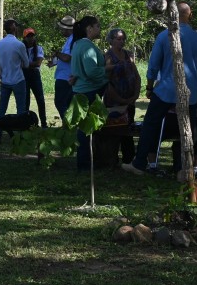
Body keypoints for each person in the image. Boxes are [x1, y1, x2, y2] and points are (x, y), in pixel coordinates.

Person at [124, 2, 197, 178]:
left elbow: (153, 65)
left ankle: (139, 162)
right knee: (189, 128)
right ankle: (187, 167)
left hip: (166, 89)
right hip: (190, 91)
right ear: (190, 15)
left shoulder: (165, 36)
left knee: (150, 124)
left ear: (173, 15)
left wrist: (149, 86)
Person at [70, 17, 107, 171]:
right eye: (97, 26)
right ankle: (85, 163)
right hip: (89, 91)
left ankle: (86, 161)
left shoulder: (78, 44)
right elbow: (91, 71)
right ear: (89, 28)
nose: (99, 29)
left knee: (84, 128)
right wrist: (108, 71)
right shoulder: (87, 46)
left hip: (80, 89)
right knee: (87, 129)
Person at [103, 27, 141, 164]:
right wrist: (121, 100)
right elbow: (107, 81)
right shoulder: (108, 56)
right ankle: (111, 159)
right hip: (114, 101)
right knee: (114, 130)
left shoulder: (128, 54)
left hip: (130, 99)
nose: (121, 42)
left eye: (123, 39)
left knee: (128, 129)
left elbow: (136, 76)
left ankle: (129, 159)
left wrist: (135, 95)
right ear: (111, 40)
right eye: (118, 39)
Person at [0, 18, 31, 118]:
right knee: (21, 108)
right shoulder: (19, 45)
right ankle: (20, 132)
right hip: (18, 79)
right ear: (14, 29)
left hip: (5, 80)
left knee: (2, 107)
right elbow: (27, 64)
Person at [52, 15, 76, 123]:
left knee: (60, 103)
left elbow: (67, 57)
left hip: (65, 77)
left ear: (68, 28)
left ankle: (68, 125)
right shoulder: (70, 40)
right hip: (66, 76)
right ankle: (69, 125)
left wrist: (57, 53)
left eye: (62, 28)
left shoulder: (72, 40)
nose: (61, 30)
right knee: (66, 104)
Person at [22, 28, 48, 127]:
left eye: (32, 36)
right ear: (24, 38)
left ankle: (44, 123)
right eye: (28, 36)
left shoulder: (39, 48)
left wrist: (25, 64)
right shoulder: (21, 48)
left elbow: (38, 63)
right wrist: (29, 65)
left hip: (34, 75)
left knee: (40, 99)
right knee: (26, 100)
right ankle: (26, 123)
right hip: (25, 75)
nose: (31, 38)